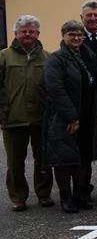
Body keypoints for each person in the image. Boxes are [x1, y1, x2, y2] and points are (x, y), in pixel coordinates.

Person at [43, 20, 97, 212]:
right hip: (65, 118)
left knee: (83, 157)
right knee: (64, 159)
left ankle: (80, 194)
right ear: (63, 35)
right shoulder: (56, 59)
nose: (76, 38)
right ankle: (66, 197)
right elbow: (56, 90)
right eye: (72, 34)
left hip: (87, 115)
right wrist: (72, 117)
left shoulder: (87, 54)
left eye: (79, 34)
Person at [1, 15, 51, 210]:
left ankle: (44, 194)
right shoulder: (4, 56)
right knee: (15, 162)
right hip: (13, 118)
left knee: (44, 160)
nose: (27, 34)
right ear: (16, 34)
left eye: (31, 31)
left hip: (41, 118)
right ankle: (18, 197)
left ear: (38, 34)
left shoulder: (47, 57)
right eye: (23, 31)